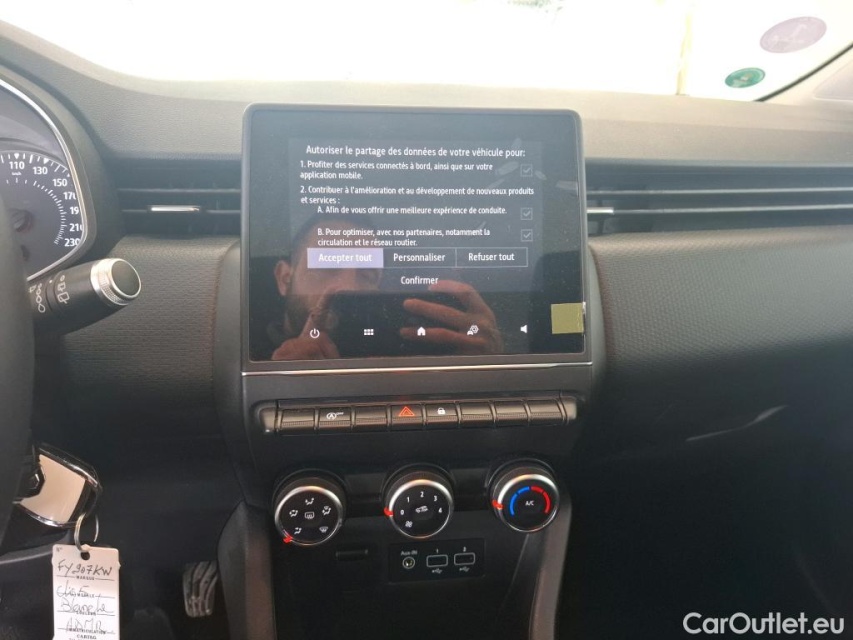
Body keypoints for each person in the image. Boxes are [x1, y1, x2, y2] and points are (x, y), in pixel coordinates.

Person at [270, 213, 503, 360]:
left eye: (367, 275)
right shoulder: (252, 359)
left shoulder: (406, 351)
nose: (348, 287)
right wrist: (284, 383)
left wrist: (488, 365)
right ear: (284, 278)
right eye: (327, 267)